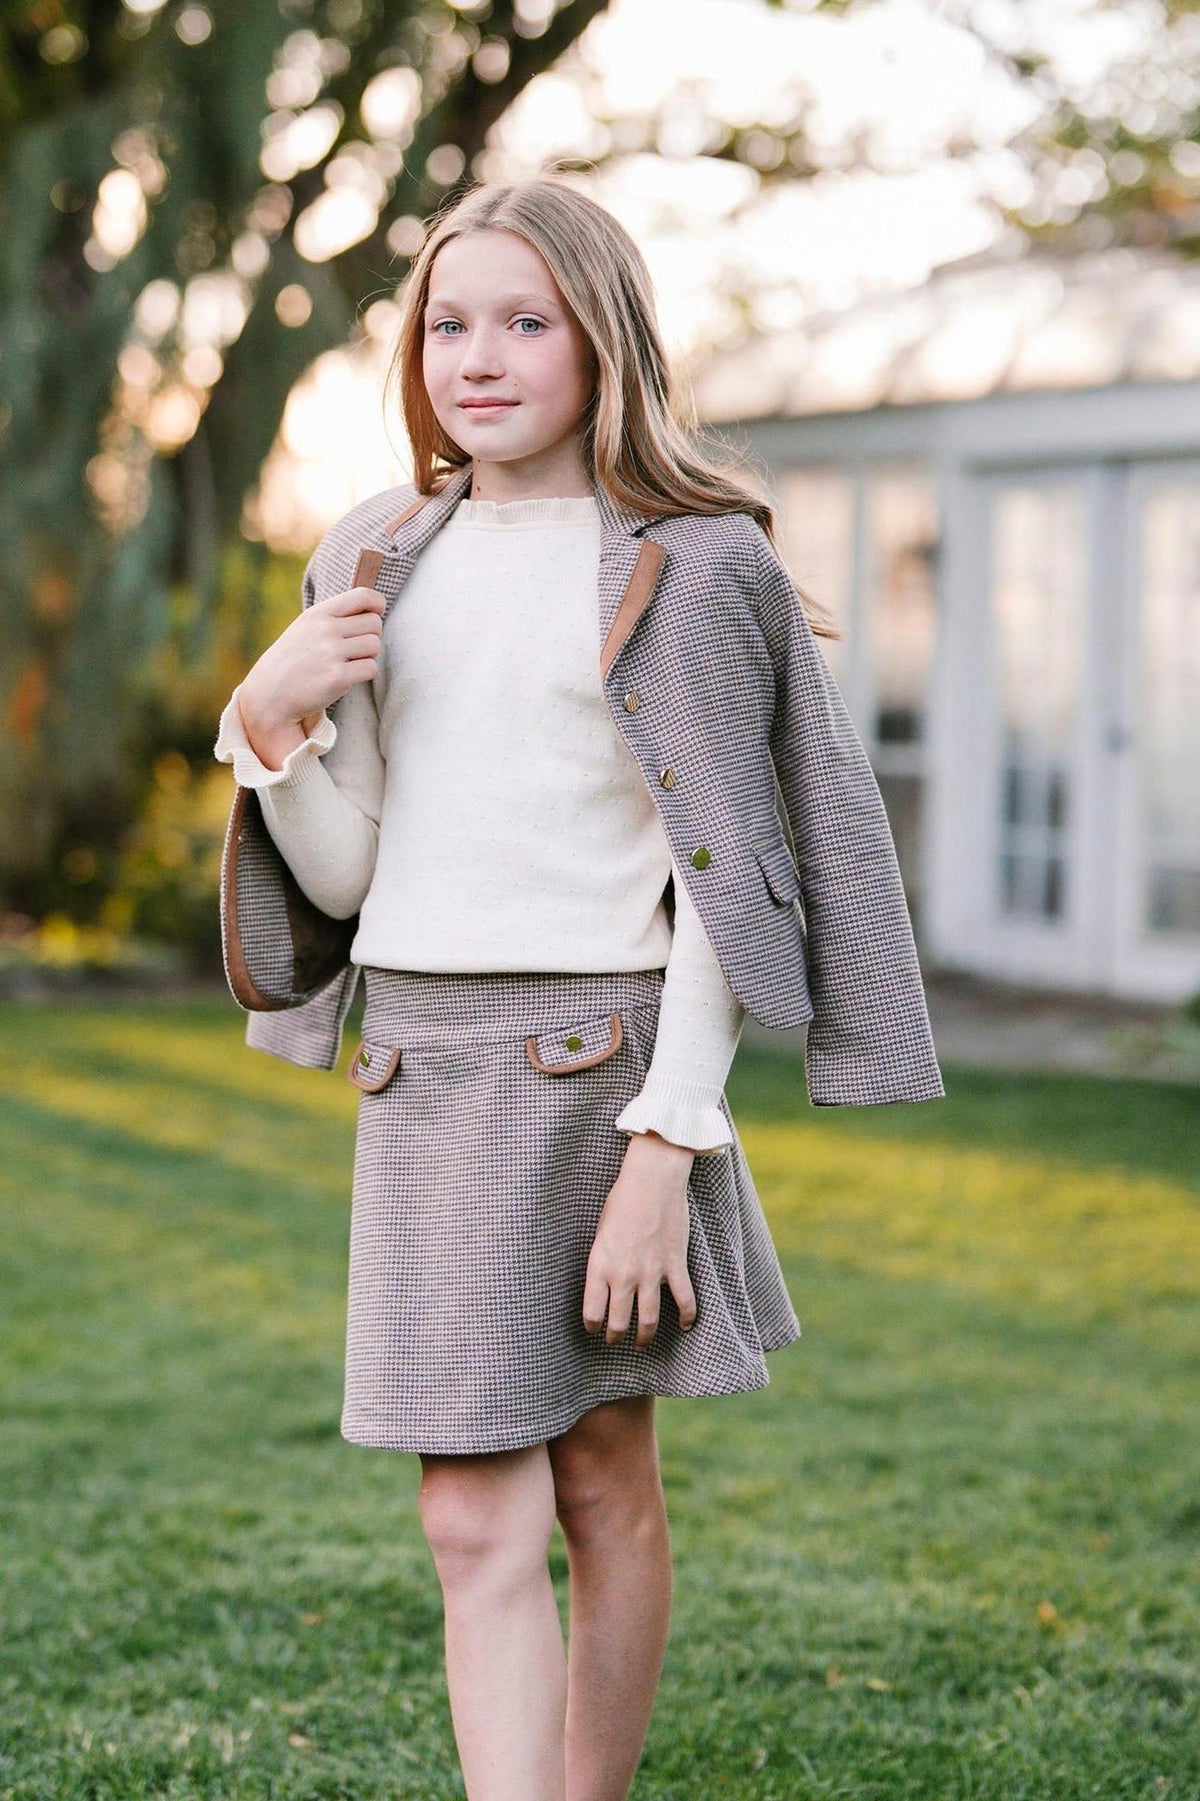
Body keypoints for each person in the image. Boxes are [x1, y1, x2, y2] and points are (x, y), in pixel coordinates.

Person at [213, 175, 944, 1801]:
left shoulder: (695, 566)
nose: (478, 358)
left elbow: (721, 884)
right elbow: (349, 880)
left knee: (604, 1477)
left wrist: (665, 1147)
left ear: (602, 337)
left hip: (606, 1063)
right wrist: (267, 731)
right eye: (447, 325)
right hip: (416, 1065)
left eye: (524, 322)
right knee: (467, 1508)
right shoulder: (376, 553)